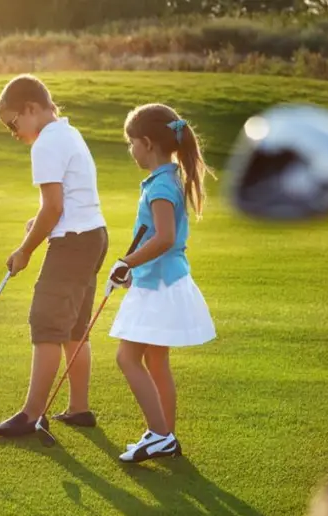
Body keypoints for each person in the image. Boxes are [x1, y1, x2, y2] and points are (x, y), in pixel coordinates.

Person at [0, 74, 109, 437]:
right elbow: (64, 201)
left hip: (72, 244)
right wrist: (37, 222)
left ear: (30, 109)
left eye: (13, 123)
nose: (13, 133)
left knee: (46, 325)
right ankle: (79, 409)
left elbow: (54, 207)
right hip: (94, 236)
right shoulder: (69, 133)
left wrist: (25, 250)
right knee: (74, 329)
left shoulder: (44, 144)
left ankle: (31, 415)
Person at [106, 103, 217, 463]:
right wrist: (132, 269)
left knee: (127, 358)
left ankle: (160, 435)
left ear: (148, 143)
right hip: (162, 280)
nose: (131, 150)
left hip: (158, 286)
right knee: (156, 361)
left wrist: (126, 262)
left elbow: (165, 237)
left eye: (132, 143)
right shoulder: (167, 180)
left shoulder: (161, 187)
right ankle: (164, 435)